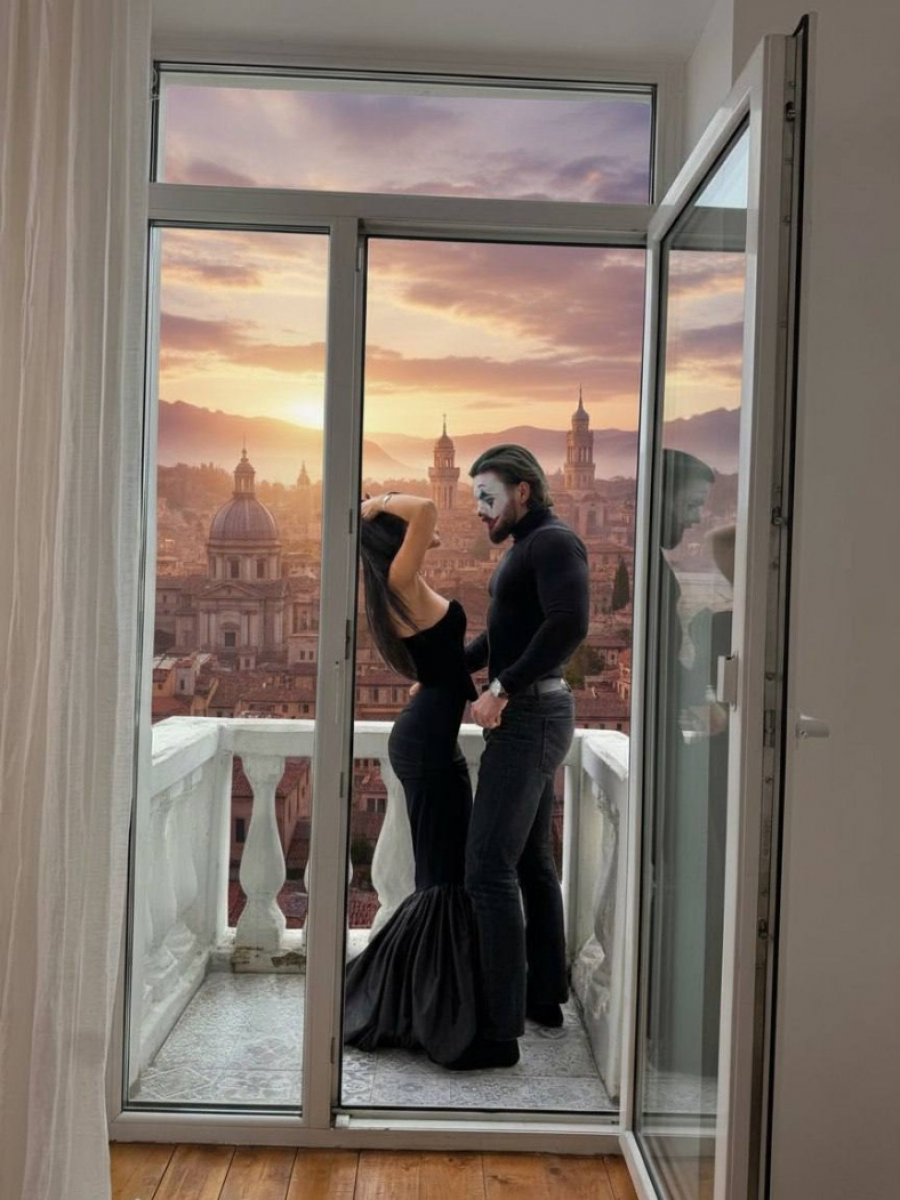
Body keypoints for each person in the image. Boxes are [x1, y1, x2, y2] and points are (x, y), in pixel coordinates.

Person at [447, 445, 590, 1071]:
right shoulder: (528, 546)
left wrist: (501, 689)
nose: (479, 510)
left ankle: (498, 1031)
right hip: (535, 711)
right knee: (532, 861)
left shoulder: (553, 543)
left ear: (523, 491)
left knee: (487, 867)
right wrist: (454, 668)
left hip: (530, 715)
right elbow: (506, 634)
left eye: (487, 496)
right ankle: (544, 996)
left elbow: (569, 624)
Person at [343, 491, 480, 1066]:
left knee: (444, 872)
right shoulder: (399, 580)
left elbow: (440, 654)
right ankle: (425, 1007)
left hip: (431, 738)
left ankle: (421, 997)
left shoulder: (398, 586)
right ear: (396, 542)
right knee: (442, 876)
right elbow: (425, 508)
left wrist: (438, 678)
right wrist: (376, 502)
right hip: (426, 744)